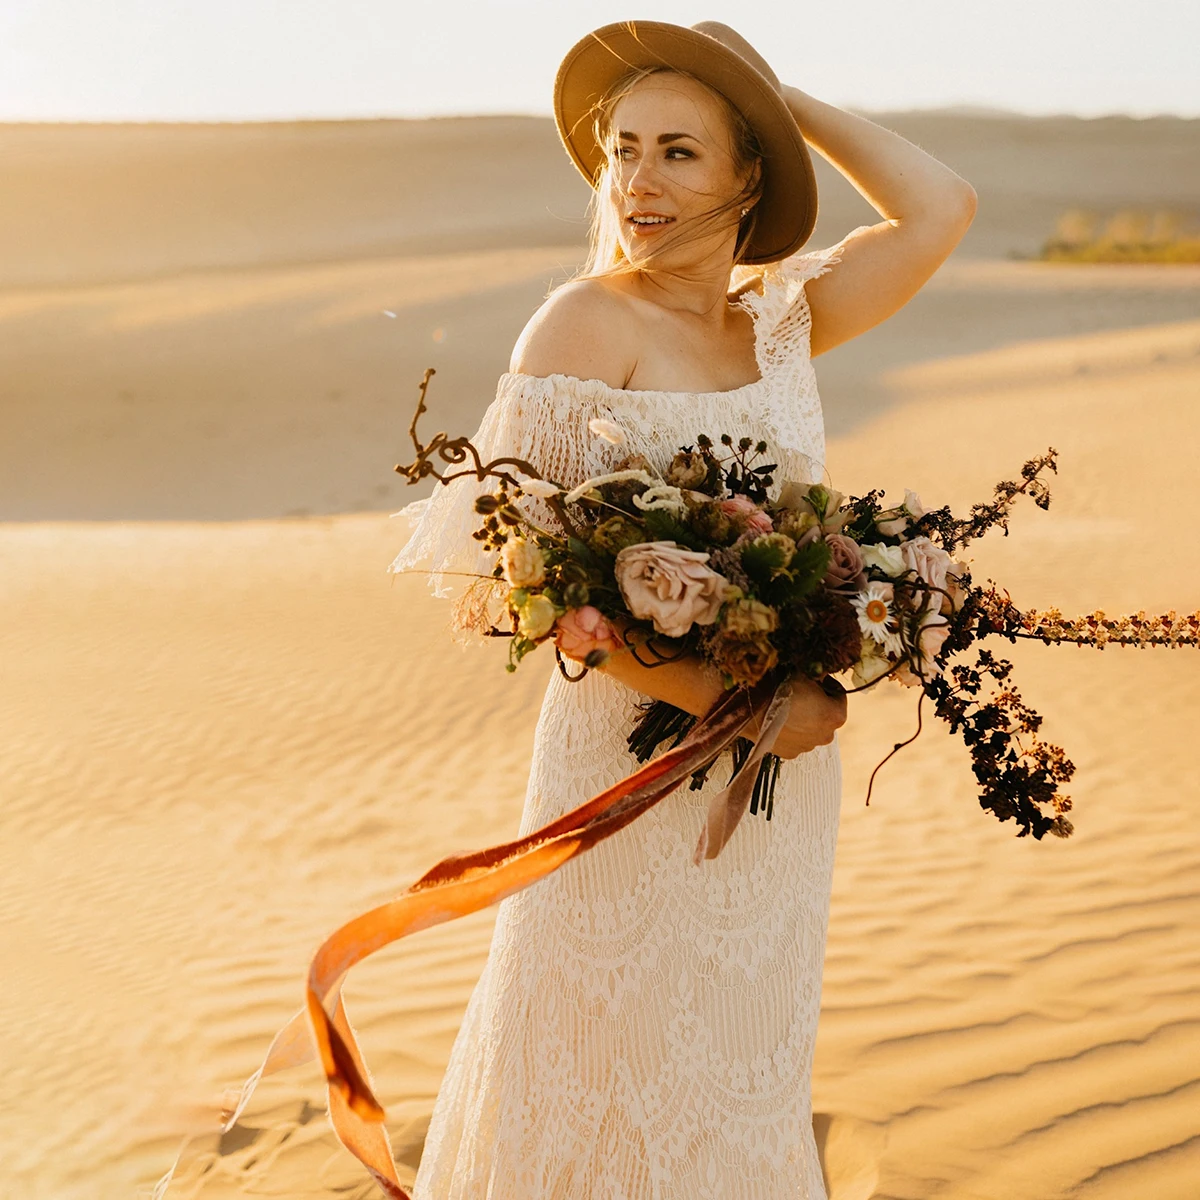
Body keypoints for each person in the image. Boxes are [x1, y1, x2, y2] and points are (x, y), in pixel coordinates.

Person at [393, 20, 975, 1199]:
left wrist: (778, 97)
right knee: (607, 1056)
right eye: (622, 151)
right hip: (635, 762)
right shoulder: (583, 322)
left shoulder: (783, 324)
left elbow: (942, 206)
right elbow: (517, 574)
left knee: (737, 1058)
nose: (636, 183)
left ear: (747, 174)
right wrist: (725, 697)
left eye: (681, 152)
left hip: (778, 790)